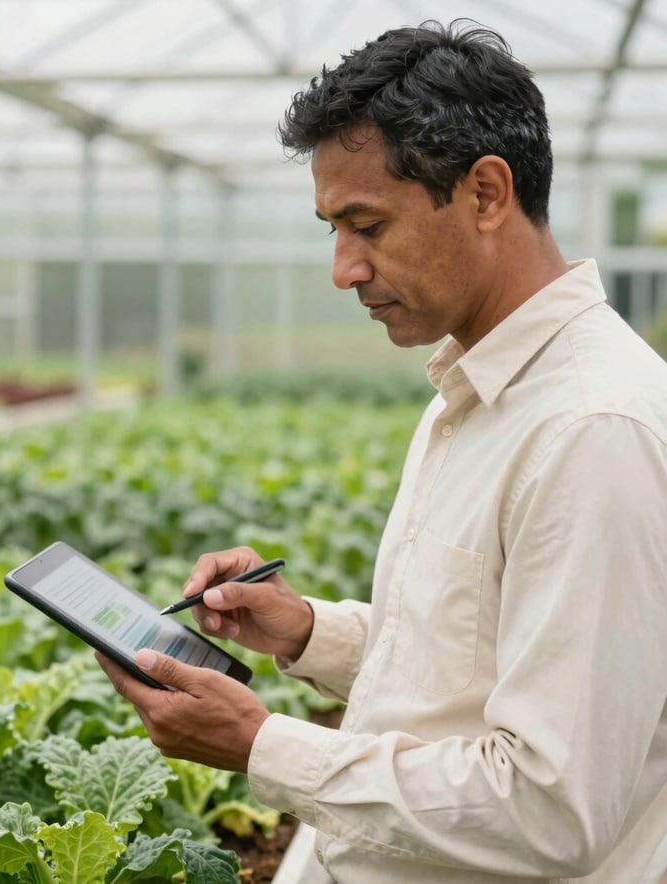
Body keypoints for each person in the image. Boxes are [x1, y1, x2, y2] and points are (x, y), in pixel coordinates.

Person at [97, 19, 667, 883]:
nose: (343, 268)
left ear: (484, 193)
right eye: (333, 227)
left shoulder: (592, 432)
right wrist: (307, 630)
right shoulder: (477, 388)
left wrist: (260, 745)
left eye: (366, 225)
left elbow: (553, 809)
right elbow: (472, 664)